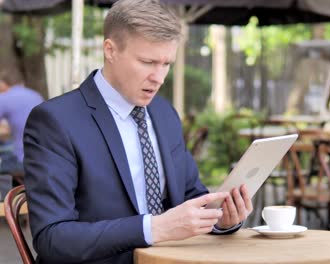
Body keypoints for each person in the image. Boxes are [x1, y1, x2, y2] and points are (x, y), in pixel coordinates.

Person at [23, 1, 252, 263]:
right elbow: (53, 239)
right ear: (110, 50)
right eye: (148, 62)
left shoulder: (164, 113)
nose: (159, 77)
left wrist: (220, 218)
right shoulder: (55, 121)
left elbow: (191, 195)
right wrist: (154, 228)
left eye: (167, 63)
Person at [0, 69, 43, 171]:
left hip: (22, 158)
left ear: (3, 83)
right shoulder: (35, 94)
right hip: (41, 156)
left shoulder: (4, 98)